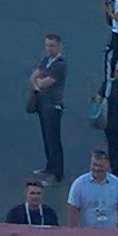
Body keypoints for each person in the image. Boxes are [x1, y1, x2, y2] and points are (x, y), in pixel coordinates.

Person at [27, 32, 68, 181]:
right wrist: (38, 83)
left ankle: (57, 174)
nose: (49, 48)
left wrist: (38, 83)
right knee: (47, 138)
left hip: (53, 106)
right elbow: (33, 77)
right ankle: (50, 167)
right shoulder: (46, 60)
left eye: (52, 45)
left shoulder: (59, 65)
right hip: (43, 105)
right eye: (47, 45)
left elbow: (43, 83)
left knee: (54, 140)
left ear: (59, 46)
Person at [67, 148, 118, 230]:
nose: (97, 168)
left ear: (108, 166)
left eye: (100, 166)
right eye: (94, 165)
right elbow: (73, 209)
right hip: (86, 233)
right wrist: (73, 232)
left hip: (111, 233)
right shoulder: (79, 183)